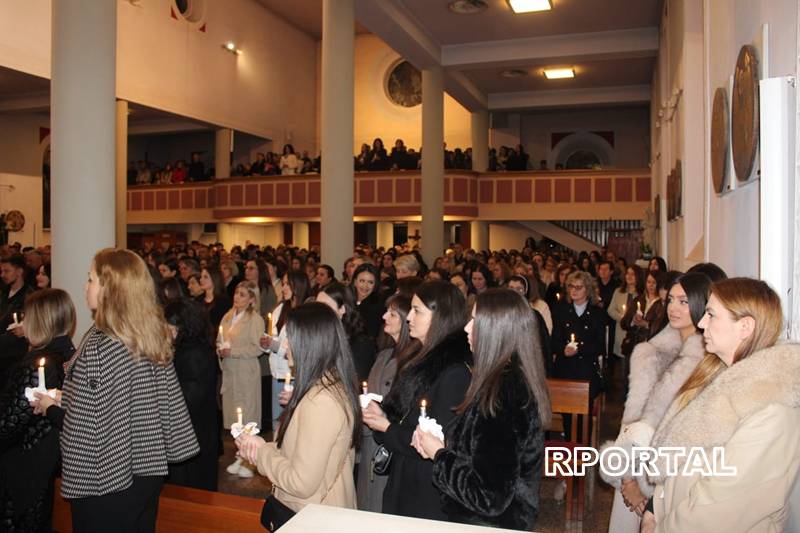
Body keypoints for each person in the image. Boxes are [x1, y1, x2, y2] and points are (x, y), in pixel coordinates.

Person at [32, 248, 198, 532]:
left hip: (108, 476)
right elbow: (131, 402)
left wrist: (50, 409)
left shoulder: (103, 343)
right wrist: (66, 397)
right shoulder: (147, 334)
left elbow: (91, 427)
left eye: (91, 279)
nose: (85, 286)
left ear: (110, 288)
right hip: (146, 467)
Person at [641, 278, 800, 532]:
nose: (701, 323)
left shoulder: (772, 413)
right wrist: (653, 509)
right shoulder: (714, 377)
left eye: (711, 315)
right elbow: (679, 458)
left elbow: (717, 511)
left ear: (745, 327)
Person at [411, 288, 551, 530]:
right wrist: (443, 443)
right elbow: (481, 451)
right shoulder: (503, 380)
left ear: (496, 331)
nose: (466, 328)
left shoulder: (505, 392)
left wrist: (439, 454)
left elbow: (489, 496)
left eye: (475, 321)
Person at [600, 272, 710, 532]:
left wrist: (646, 490)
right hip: (631, 466)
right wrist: (627, 479)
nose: (673, 307)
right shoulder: (651, 351)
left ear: (701, 304)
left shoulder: (703, 362)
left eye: (683, 302)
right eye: (671, 299)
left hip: (668, 478)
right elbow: (632, 418)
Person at [235, 303, 360, 529]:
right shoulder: (326, 385)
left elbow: (301, 482)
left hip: (313, 518)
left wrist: (261, 452)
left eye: (290, 338)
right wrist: (259, 447)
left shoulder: (321, 401)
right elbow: (300, 454)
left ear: (310, 343)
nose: (285, 345)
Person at [362, 281, 472, 521]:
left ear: (440, 316)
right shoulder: (418, 356)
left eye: (417, 311)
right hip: (404, 475)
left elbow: (439, 440)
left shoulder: (454, 372)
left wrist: (387, 427)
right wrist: (382, 415)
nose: (409, 317)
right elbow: (403, 415)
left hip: (426, 487)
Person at [1, 289, 75, 532]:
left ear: (40, 321)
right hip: (44, 466)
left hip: (23, 471)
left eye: (28, 316)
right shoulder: (69, 355)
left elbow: (8, 424)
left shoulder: (37, 366)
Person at [356, 294, 416, 513]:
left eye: (392, 314)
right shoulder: (384, 355)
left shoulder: (413, 361)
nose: (384, 317)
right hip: (368, 440)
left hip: (388, 445)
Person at [164, 298, 219, 491]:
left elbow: (189, 398)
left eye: (168, 326)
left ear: (180, 327)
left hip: (194, 433)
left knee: (192, 488)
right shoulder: (190, 348)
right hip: (194, 431)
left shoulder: (194, 353)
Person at [551, 270, 607, 436]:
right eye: (571, 286)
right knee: (567, 416)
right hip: (565, 369)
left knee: (584, 419)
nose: (574, 290)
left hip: (586, 370)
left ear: (587, 289)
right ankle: (570, 443)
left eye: (578, 287)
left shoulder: (597, 313)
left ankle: (583, 448)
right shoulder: (561, 310)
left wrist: (579, 349)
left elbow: (600, 346)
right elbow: (554, 341)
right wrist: (563, 350)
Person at [218, 281, 265, 478]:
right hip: (231, 373)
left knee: (247, 416)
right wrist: (221, 350)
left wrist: (233, 351)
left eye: (243, 294)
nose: (237, 297)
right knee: (235, 417)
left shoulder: (255, 319)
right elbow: (220, 339)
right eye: (237, 293)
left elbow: (258, 348)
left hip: (246, 373)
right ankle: (240, 455)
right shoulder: (228, 316)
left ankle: (250, 461)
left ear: (252, 299)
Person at [262, 270, 309, 431]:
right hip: (277, 374)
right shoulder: (281, 308)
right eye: (283, 284)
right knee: (278, 421)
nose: (283, 288)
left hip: (295, 375)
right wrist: (266, 343)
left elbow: (300, 346)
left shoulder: (305, 311)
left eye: (288, 284)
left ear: (298, 286)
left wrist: (276, 346)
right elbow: (273, 335)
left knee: (293, 423)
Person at [317, 282, 377, 381]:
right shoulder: (320, 335)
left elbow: (355, 380)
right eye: (317, 305)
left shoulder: (361, 343)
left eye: (325, 306)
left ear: (342, 309)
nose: (318, 311)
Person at [619, 271, 664, 358]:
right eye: (649, 282)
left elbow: (662, 327)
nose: (651, 285)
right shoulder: (639, 299)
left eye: (654, 282)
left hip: (650, 348)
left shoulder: (662, 303)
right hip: (633, 345)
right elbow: (624, 323)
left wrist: (647, 324)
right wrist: (633, 320)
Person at [351, 263, 385, 339]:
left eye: (370, 282)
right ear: (355, 282)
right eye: (362, 281)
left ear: (375, 285)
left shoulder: (377, 308)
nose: (365, 286)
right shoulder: (346, 300)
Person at [199, 266, 230, 330]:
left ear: (215, 279)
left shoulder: (224, 302)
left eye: (205, 277)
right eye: (201, 277)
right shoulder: (198, 300)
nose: (201, 280)